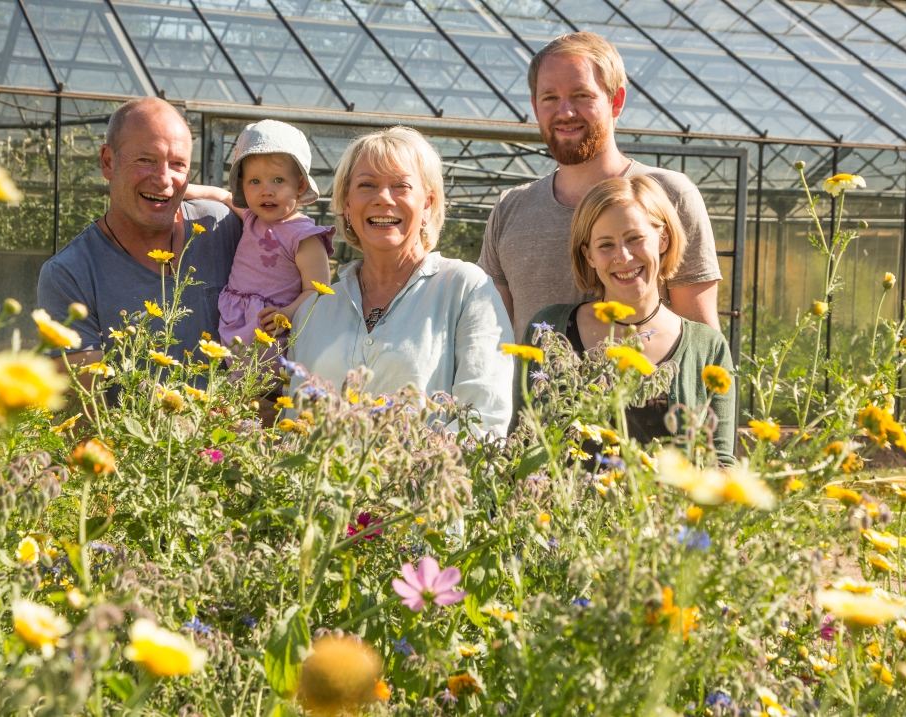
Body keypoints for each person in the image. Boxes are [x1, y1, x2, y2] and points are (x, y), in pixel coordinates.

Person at [479, 32, 722, 343]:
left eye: (582, 95)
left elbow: (700, 341)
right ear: (535, 106)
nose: (565, 112)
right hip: (532, 391)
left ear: (615, 101)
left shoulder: (668, 194)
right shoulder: (511, 209)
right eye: (550, 97)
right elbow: (490, 338)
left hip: (639, 390)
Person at [287, 126, 514, 436]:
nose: (383, 198)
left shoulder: (465, 290)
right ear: (347, 204)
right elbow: (294, 425)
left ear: (427, 206)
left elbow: (483, 420)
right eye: (367, 185)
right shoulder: (315, 309)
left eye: (400, 186)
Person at [522, 175, 735, 464]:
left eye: (635, 238)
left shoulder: (708, 347)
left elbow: (720, 464)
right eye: (606, 245)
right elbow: (522, 444)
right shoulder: (550, 331)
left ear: (663, 239)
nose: (623, 256)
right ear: (589, 256)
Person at [36, 98, 241, 375]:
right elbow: (85, 410)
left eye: (178, 164)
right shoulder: (70, 275)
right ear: (108, 162)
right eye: (146, 160)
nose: (164, 179)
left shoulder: (222, 227)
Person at [184, 120, 333, 347]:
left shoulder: (304, 237)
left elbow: (317, 290)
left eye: (278, 180)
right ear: (242, 185)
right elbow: (221, 195)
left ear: (300, 185)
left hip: (271, 330)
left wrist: (288, 314)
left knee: (263, 380)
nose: (266, 191)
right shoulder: (252, 217)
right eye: (255, 181)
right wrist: (181, 189)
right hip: (234, 322)